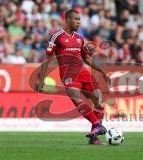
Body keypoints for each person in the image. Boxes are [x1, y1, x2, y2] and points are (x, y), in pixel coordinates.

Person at [37, 10, 110, 145]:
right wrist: (41, 79)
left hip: (83, 72)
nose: (79, 22)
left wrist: (102, 72)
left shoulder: (79, 38)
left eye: (79, 19)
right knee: (77, 99)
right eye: (76, 19)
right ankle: (96, 124)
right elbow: (47, 58)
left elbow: (86, 58)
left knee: (99, 100)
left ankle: (94, 136)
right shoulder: (57, 37)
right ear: (68, 20)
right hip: (68, 74)